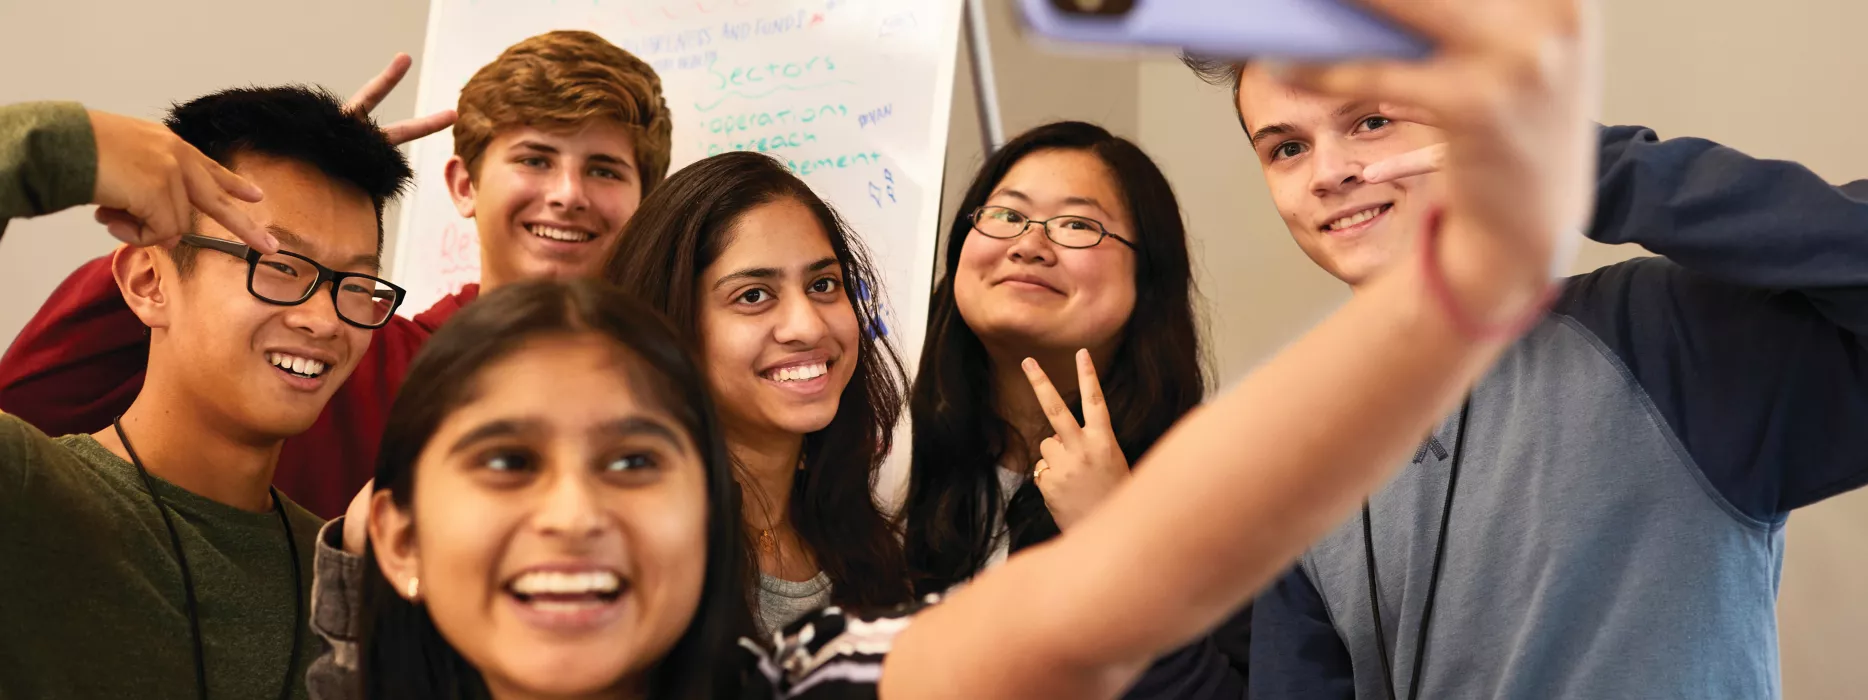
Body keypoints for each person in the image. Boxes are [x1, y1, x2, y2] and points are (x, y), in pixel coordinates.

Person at [310, 0, 1603, 696]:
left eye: (637, 462)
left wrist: (1475, 257)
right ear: (402, 539)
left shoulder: (825, 674)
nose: (576, 512)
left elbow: (1127, 588)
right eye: (506, 465)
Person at [1181, 13, 1868, 700]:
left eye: (1371, 121)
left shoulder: (1664, 336)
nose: (1327, 173)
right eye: (1287, 148)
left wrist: (1581, 166)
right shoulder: (1284, 454)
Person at [0, 30, 670, 518]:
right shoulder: (350, 344)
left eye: (605, 170)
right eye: (535, 159)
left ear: (647, 199)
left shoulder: (673, 386)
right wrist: (279, 191)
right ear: (464, 186)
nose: (567, 194)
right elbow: (34, 403)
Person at [0, 85, 411, 699]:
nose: (326, 320)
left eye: (356, 283)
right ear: (147, 282)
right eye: (278, 264)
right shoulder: (29, 490)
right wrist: (59, 148)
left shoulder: (338, 577)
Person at [897, 120, 1239, 698]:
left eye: (1077, 224)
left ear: (1147, 279)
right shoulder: (883, 453)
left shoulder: (1215, 480)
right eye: (1006, 214)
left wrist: (1118, 541)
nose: (1029, 244)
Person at [599, 151, 914, 635]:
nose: (806, 325)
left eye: (823, 284)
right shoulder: (630, 550)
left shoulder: (856, 532)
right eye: (753, 296)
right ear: (671, 324)